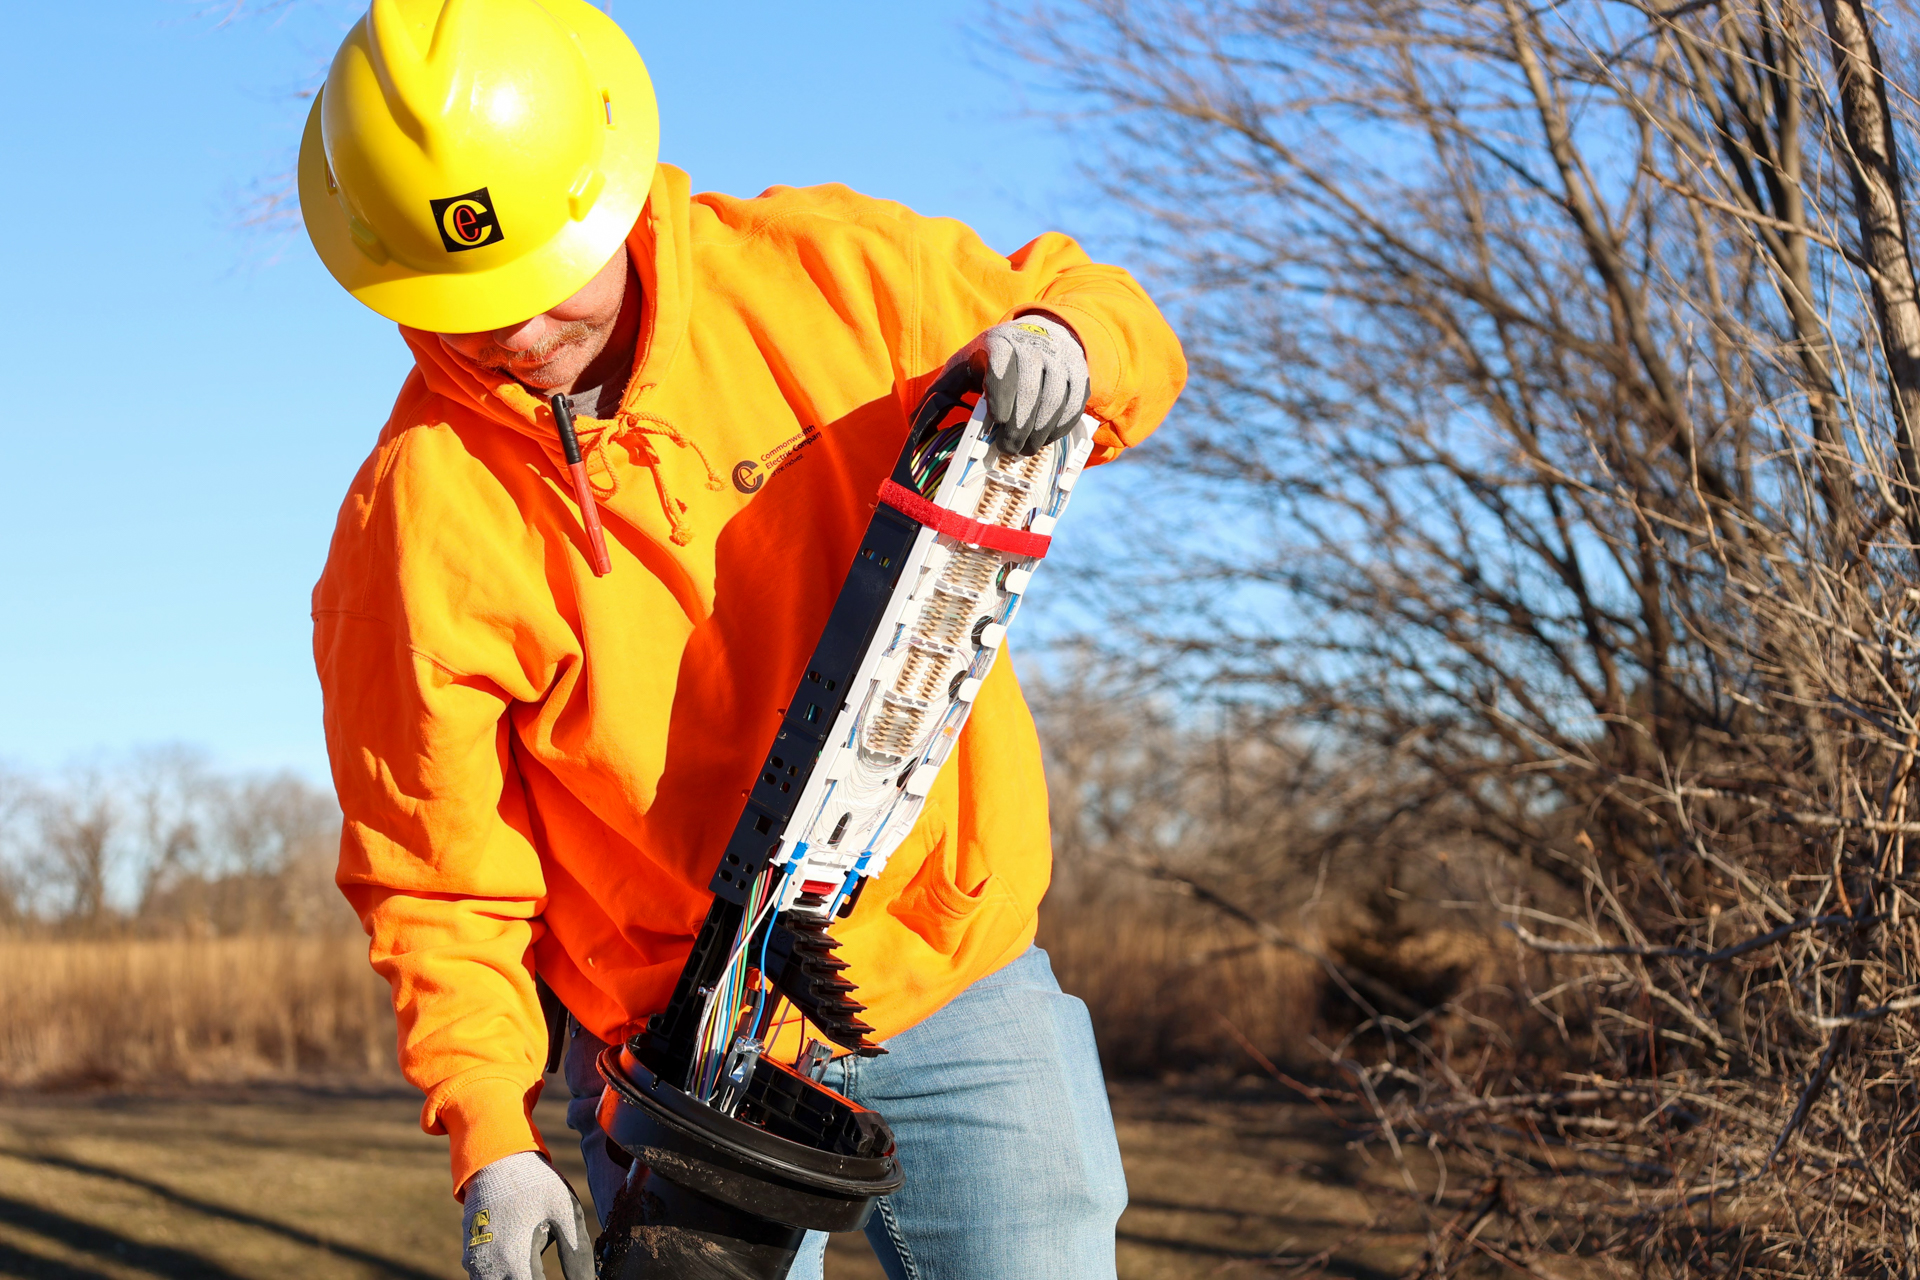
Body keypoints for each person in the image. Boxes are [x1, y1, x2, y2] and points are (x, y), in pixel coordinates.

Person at [300, 2, 1185, 1278]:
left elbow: (1098, 305)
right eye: (473, 302)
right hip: (681, 1052)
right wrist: (494, 1130)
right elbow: (438, 875)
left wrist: (1072, 346)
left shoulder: (830, 276)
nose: (525, 332)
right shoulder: (413, 522)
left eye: (551, 282)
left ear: (605, 189)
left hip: (946, 962)